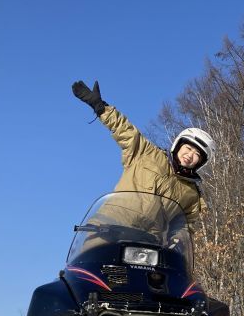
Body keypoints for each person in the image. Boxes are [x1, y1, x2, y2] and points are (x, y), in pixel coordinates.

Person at [71, 80, 214, 232]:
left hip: (149, 244)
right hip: (109, 225)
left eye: (197, 154)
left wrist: (174, 248)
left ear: (201, 162)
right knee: (92, 252)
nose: (190, 155)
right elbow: (126, 131)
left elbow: (184, 229)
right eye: (188, 147)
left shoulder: (192, 194)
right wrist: (100, 107)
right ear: (179, 145)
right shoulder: (147, 153)